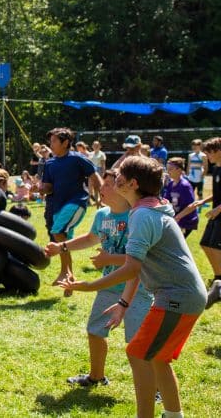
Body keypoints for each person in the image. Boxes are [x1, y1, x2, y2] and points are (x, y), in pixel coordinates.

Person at [62, 156, 207, 418]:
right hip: (182, 296)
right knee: (156, 357)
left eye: (120, 176)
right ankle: (173, 415)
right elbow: (138, 268)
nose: (114, 177)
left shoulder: (142, 215)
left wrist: (89, 285)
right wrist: (124, 303)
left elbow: (130, 268)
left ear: (132, 183)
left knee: (139, 353)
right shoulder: (148, 209)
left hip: (176, 296)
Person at [44, 169, 152, 388]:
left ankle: (155, 387)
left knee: (138, 342)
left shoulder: (137, 216)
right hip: (109, 286)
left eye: (108, 185)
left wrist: (110, 258)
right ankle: (96, 377)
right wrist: (61, 246)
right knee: (95, 331)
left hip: (139, 289)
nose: (101, 188)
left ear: (124, 189)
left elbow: (143, 259)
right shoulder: (102, 215)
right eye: (102, 185)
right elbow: (91, 238)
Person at [41, 127, 102, 289]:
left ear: (66, 142)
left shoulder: (77, 159)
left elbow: (94, 176)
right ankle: (69, 277)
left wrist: (103, 195)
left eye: (54, 141)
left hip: (77, 202)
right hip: (57, 206)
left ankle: (64, 273)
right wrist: (39, 189)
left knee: (57, 232)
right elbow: (48, 187)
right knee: (63, 240)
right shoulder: (49, 163)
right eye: (50, 141)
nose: (50, 144)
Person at [200, 137, 221, 308]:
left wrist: (217, 210)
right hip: (216, 213)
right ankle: (218, 278)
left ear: (218, 150)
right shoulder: (215, 169)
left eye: (209, 152)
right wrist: (202, 201)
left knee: (214, 245)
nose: (206, 155)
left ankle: (219, 281)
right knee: (205, 244)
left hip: (219, 213)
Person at [164, 158, 202, 237]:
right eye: (167, 169)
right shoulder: (171, 184)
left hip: (186, 221)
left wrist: (177, 218)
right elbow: (166, 201)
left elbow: (191, 206)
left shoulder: (184, 186)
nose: (168, 172)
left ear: (179, 170)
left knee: (175, 246)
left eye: (170, 169)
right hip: (177, 219)